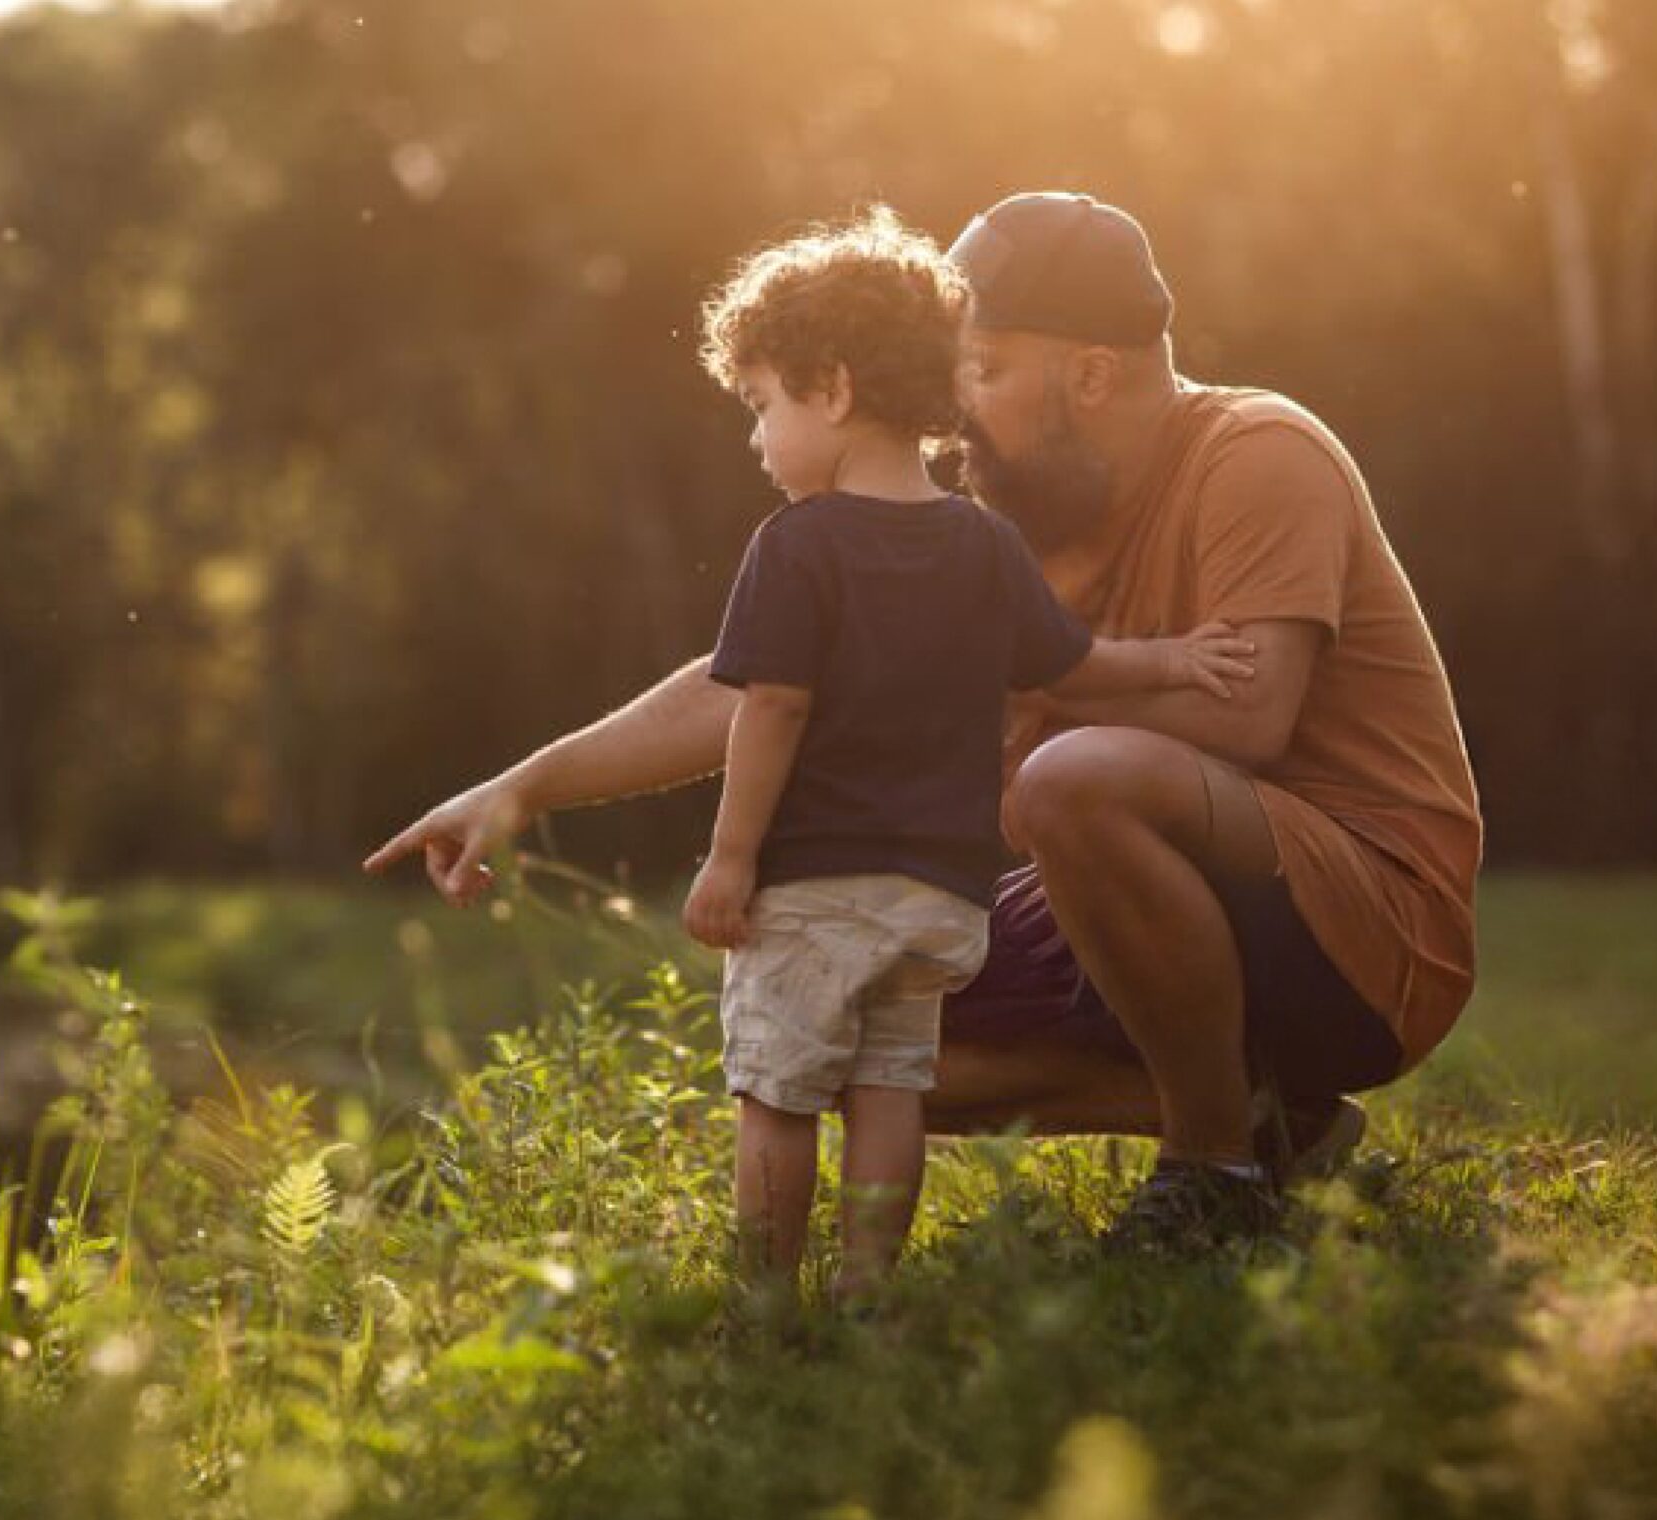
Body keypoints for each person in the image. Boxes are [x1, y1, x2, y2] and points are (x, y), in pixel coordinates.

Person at [367, 192, 1483, 1256]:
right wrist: (523, 788)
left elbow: (1250, 716)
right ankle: (1269, 1123)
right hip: (1147, 895)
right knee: (847, 1020)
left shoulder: (1258, 451)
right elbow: (764, 682)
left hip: (1370, 930)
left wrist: (1032, 688)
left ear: (1091, 374)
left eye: (982, 372)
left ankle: (1213, 1174)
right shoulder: (1017, 519)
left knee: (1068, 780)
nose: (953, 413)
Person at [679, 208, 1257, 1300]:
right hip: (938, 893)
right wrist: (1177, 659)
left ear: (833, 389)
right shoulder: (984, 543)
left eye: (762, 406)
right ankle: (866, 1289)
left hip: (812, 883)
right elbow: (1072, 664)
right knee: (890, 1088)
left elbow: (773, 708)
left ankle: (763, 1300)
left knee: (779, 1092)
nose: (758, 441)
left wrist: (731, 856)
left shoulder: (796, 545)